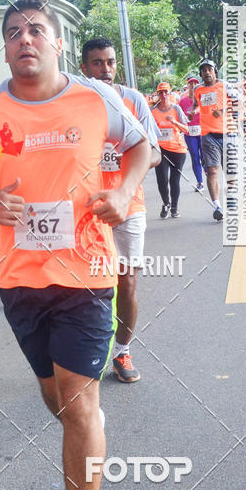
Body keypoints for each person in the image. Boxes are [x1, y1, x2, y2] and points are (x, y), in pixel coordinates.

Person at [0, 0, 150, 490]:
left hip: (86, 274)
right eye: (13, 33)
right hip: (19, 279)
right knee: (56, 399)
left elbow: (142, 147)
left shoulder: (94, 97)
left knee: (80, 402)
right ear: (5, 46)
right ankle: (85, 442)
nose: (24, 39)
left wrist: (122, 191)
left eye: (36, 30)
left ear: (58, 42)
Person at [80, 37, 161, 384]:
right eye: (97, 63)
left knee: (126, 283)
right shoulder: (74, 101)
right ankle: (86, 351)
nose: (106, 70)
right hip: (85, 208)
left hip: (129, 205)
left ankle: (122, 351)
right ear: (83, 67)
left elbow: (154, 152)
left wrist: (126, 181)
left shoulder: (133, 100)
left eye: (110, 62)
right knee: (86, 285)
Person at [189, 59, 237, 221]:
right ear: (200, 74)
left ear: (215, 71)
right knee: (212, 171)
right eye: (203, 70)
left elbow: (238, 102)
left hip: (228, 133)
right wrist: (193, 112)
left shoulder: (225, 85)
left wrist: (223, 111)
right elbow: (197, 105)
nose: (207, 72)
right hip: (208, 135)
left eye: (210, 69)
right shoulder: (198, 89)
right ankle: (217, 206)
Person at [150, 83, 188, 218]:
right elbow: (148, 131)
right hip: (160, 149)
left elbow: (186, 129)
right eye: (161, 92)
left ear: (170, 93)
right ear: (158, 94)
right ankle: (166, 203)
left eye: (166, 92)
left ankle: (174, 207)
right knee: (162, 179)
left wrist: (175, 123)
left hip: (177, 149)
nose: (164, 95)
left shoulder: (176, 109)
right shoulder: (153, 111)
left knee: (174, 179)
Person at [179, 76, 203, 191]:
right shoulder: (182, 101)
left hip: (203, 131)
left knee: (205, 157)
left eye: (195, 83)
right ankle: (200, 182)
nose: (193, 85)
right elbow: (179, 117)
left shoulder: (202, 99)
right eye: (190, 83)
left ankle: (208, 171)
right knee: (195, 157)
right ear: (187, 86)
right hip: (190, 133)